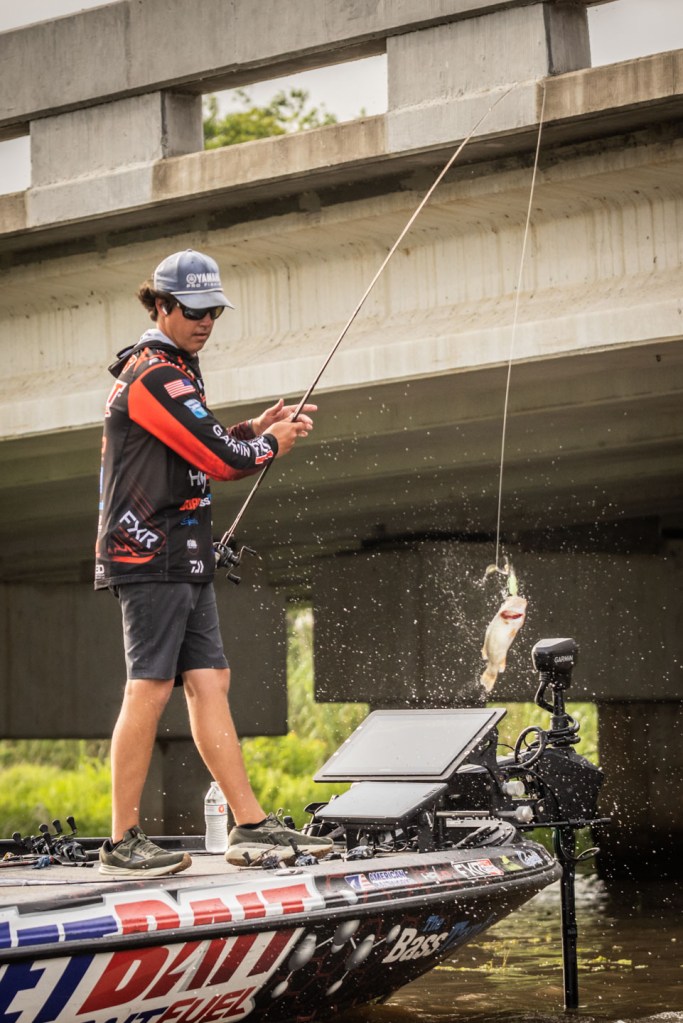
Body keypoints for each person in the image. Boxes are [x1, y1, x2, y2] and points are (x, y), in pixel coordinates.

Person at [95, 248, 333, 877]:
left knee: (210, 681)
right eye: (195, 311)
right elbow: (223, 461)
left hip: (185, 554)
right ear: (162, 306)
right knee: (148, 689)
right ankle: (122, 842)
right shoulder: (154, 375)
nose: (206, 322)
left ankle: (249, 825)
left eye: (214, 312)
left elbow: (199, 445)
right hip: (150, 555)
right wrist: (270, 443)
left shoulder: (177, 370)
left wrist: (254, 427)